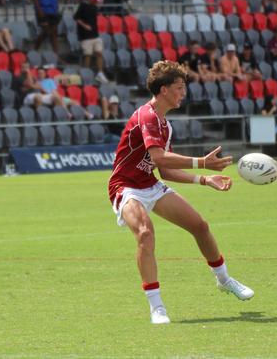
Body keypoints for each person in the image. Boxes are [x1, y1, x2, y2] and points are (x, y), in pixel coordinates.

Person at [107, 61, 254, 325]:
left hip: (149, 183)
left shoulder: (165, 125)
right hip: (125, 186)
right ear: (163, 90)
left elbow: (165, 171)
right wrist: (202, 162)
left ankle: (224, 280)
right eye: (178, 87)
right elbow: (160, 157)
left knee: (199, 225)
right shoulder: (147, 116)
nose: (183, 93)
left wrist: (204, 179)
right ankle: (157, 307)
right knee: (145, 233)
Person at [73, 0, 109, 83]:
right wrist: (85, 25)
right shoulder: (83, 5)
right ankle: (86, 73)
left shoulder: (94, 7)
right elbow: (76, 17)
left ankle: (100, 73)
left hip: (95, 35)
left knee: (99, 53)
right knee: (88, 55)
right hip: (85, 36)